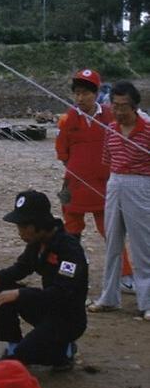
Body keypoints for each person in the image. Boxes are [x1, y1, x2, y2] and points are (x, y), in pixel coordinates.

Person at [0, 190, 88, 370]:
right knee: (2, 289)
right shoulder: (37, 242)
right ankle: (13, 347)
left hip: (67, 318)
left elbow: (61, 293)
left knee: (24, 357)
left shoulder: (69, 250)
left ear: (39, 223)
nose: (20, 233)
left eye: (24, 227)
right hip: (47, 310)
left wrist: (21, 294)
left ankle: (64, 351)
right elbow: (22, 267)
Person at [55, 68, 132, 289]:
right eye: (77, 93)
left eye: (86, 93)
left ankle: (126, 276)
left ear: (96, 93)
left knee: (111, 232)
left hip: (104, 187)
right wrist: (79, 172)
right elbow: (63, 153)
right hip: (75, 186)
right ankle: (70, 275)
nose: (81, 98)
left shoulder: (110, 116)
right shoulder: (67, 120)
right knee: (71, 234)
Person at [87, 81, 150, 319]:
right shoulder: (110, 129)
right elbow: (107, 160)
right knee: (112, 242)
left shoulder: (147, 129)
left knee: (142, 245)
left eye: (124, 107)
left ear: (135, 107)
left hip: (141, 185)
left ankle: (147, 302)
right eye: (115, 106)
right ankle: (109, 297)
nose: (120, 112)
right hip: (115, 183)